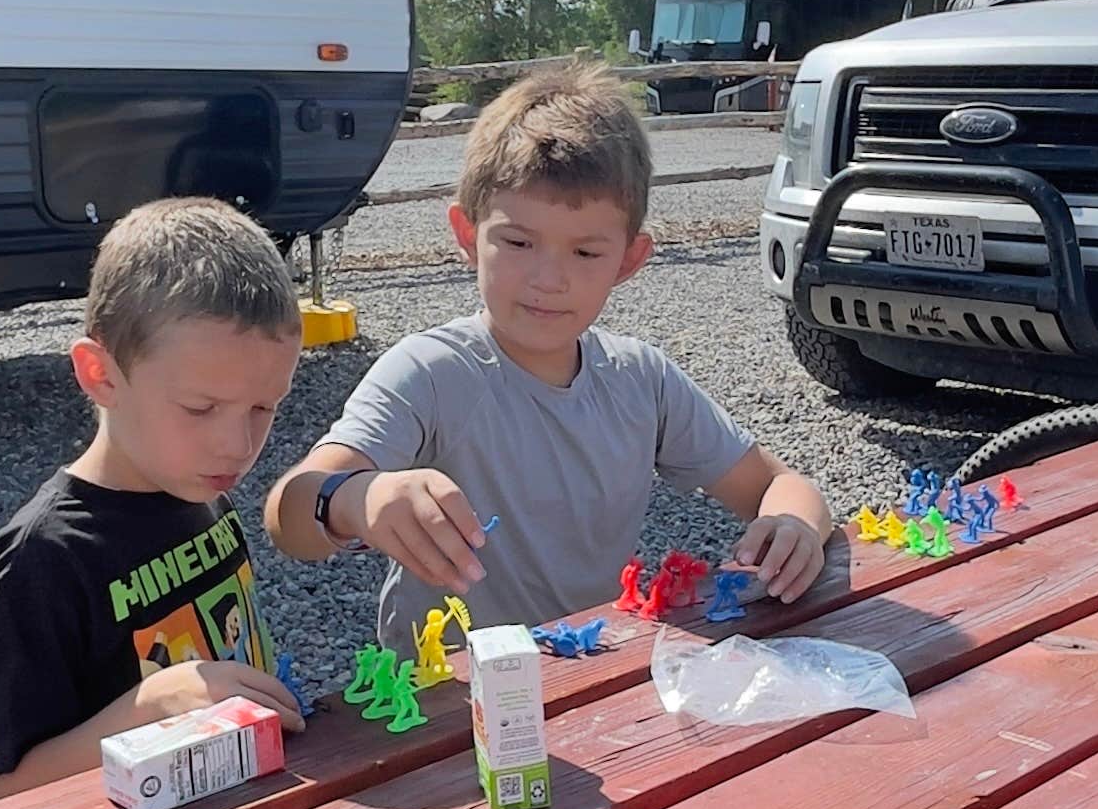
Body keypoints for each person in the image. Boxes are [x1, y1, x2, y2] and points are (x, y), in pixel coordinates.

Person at [264, 66, 833, 651]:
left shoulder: (642, 379)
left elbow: (778, 486)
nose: (548, 279)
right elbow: (289, 515)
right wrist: (354, 500)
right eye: (517, 242)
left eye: (586, 251)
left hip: (591, 677)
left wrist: (792, 527)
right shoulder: (429, 372)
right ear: (466, 233)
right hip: (448, 705)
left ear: (629, 261)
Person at [0, 198, 307, 802]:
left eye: (264, 407)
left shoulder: (202, 489)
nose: (238, 446)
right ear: (101, 374)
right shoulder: (42, 560)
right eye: (200, 409)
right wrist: (151, 705)